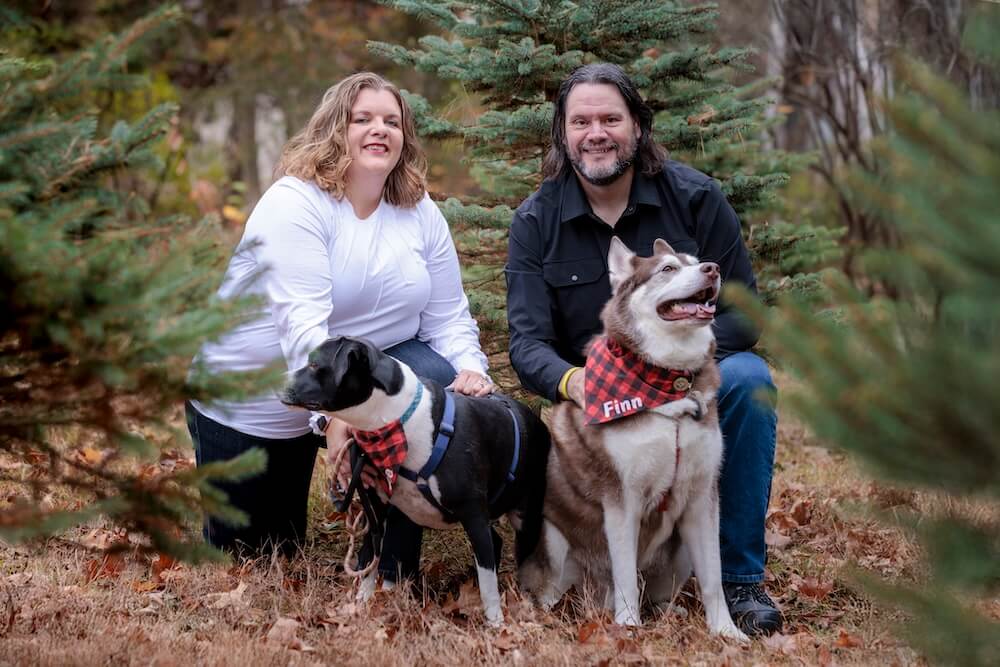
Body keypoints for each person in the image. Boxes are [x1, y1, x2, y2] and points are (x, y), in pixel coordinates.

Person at [505, 63, 782, 636]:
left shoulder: (696, 198)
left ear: (637, 126)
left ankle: (740, 582)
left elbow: (744, 314)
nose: (596, 132)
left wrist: (671, 364)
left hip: (687, 374)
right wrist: (575, 382)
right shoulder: (536, 221)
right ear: (563, 133)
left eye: (610, 118)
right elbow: (528, 343)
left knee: (750, 380)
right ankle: (576, 571)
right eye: (580, 121)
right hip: (599, 396)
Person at [186, 73, 493, 571]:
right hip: (253, 399)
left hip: (353, 382)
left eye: (392, 121)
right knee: (259, 560)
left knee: (432, 380)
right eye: (363, 119)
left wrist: (473, 371)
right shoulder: (295, 203)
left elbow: (448, 316)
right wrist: (334, 418)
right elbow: (303, 331)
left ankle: (393, 570)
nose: (380, 130)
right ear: (335, 129)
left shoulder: (419, 210)